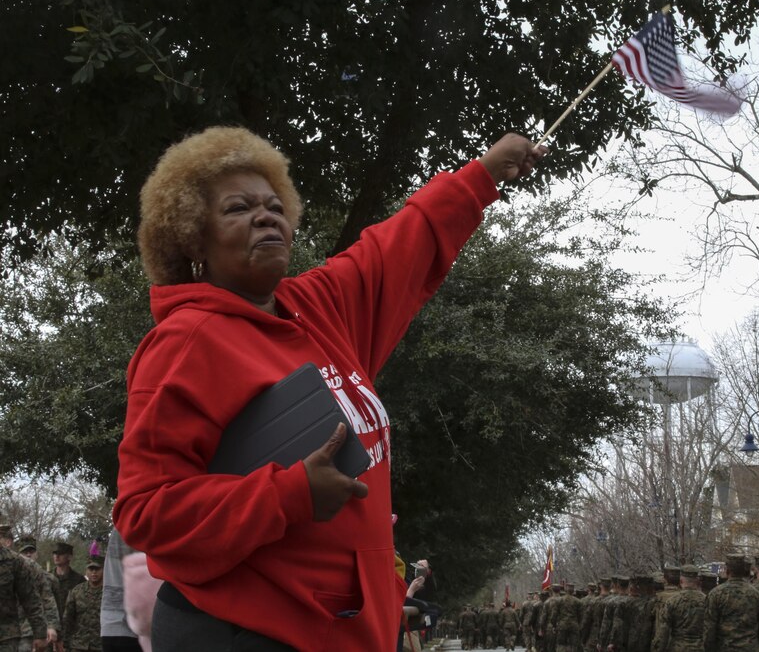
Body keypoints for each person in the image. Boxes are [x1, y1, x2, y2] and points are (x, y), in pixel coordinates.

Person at [112, 127, 545, 652]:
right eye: (237, 208)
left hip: (340, 630)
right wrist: (288, 494)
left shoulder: (317, 310)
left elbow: (396, 248)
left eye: (274, 204)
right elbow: (147, 512)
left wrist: (483, 175)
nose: (266, 215)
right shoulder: (185, 343)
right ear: (191, 238)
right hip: (245, 632)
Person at [703, 553, 759, 652]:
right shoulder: (756, 594)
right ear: (744, 571)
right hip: (750, 647)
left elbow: (710, 629)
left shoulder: (716, 594)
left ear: (727, 570)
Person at [11, 537, 60, 652]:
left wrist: (53, 627)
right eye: (24, 552)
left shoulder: (48, 579)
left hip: (35, 631)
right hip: (11, 630)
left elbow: (51, 602)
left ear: (36, 554)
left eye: (31, 552)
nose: (28, 555)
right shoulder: (9, 573)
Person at [652, 565, 704, 652]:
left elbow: (663, 631)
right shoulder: (707, 600)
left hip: (678, 647)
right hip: (700, 647)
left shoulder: (673, 601)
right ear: (698, 582)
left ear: (681, 581)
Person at [63, 555, 104, 652]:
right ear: (86, 571)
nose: (94, 572)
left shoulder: (109, 592)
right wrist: (65, 642)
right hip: (79, 645)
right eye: (91, 569)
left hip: (102, 645)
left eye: (97, 569)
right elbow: (68, 618)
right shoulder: (77, 591)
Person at [50, 543, 84, 621]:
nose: (56, 556)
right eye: (55, 553)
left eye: (60, 554)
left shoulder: (78, 579)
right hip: (51, 624)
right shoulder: (46, 577)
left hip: (71, 623)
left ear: (69, 557)